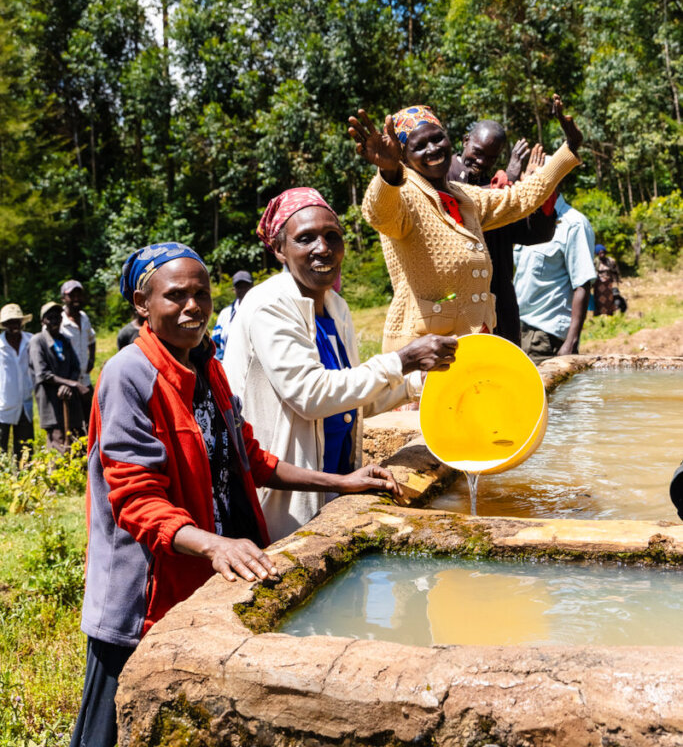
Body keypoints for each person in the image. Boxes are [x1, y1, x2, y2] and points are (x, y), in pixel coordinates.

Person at [70, 241, 399, 747]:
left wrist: (341, 483)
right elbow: (136, 499)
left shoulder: (208, 366)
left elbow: (249, 458)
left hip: (203, 579)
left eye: (201, 294)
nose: (192, 307)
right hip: (145, 596)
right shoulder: (128, 375)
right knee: (109, 732)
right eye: (175, 296)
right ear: (142, 304)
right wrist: (214, 544)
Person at [224, 188, 457, 540]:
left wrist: (418, 381)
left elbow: (351, 398)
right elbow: (311, 396)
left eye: (333, 236)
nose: (323, 248)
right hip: (282, 497)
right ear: (279, 250)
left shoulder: (335, 307)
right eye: (306, 239)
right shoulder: (268, 305)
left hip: (334, 481)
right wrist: (402, 359)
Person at [348, 95, 583, 351]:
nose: (433, 149)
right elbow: (378, 214)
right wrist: (388, 172)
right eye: (419, 146)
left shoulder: (462, 196)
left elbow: (519, 198)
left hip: (476, 344)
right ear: (404, 157)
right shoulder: (403, 195)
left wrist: (568, 148)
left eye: (437, 138)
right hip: (425, 355)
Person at [448, 122, 557, 345]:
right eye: (477, 152)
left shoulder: (495, 183)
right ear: (465, 141)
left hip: (499, 304)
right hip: (456, 308)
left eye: (490, 157)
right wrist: (507, 182)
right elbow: (457, 205)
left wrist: (539, 189)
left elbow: (532, 234)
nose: (481, 162)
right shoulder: (446, 172)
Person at [513, 194, 597, 364]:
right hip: (518, 332)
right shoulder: (526, 219)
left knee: (544, 391)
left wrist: (571, 343)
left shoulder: (573, 224)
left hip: (545, 338)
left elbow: (582, 285)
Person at [29, 302, 87, 452]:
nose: (55, 321)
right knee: (58, 444)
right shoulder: (37, 341)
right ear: (43, 321)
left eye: (57, 317)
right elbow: (42, 374)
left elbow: (76, 367)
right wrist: (73, 384)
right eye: (50, 318)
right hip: (51, 404)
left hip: (70, 400)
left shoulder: (64, 340)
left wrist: (67, 385)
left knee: (76, 441)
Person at [0, 303, 34, 461]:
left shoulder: (31, 341)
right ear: (4, 325)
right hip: (3, 405)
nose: (14, 325)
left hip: (25, 403)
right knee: (1, 448)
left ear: (22, 322)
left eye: (16, 321)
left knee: (25, 449)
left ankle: (25, 479)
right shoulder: (0, 346)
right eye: (10, 322)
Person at [60, 280, 96, 424]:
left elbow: (91, 339)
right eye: (71, 295)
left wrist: (92, 359)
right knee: (73, 424)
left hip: (85, 379)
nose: (76, 299)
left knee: (91, 419)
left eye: (78, 295)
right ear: (63, 298)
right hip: (69, 382)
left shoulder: (84, 317)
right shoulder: (58, 322)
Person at [211, 270, 253, 361]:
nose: (243, 290)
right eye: (239, 287)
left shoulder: (261, 311)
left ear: (252, 287)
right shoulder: (225, 314)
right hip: (228, 368)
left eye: (246, 286)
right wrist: (223, 363)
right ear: (234, 289)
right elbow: (215, 344)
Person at [593, 244, 621, 316]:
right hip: (599, 284)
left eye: (603, 252)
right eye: (600, 253)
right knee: (599, 300)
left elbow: (615, 271)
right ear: (597, 254)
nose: (602, 254)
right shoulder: (595, 262)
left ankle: (609, 313)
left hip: (608, 284)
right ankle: (599, 314)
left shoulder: (610, 261)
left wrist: (617, 280)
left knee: (609, 300)